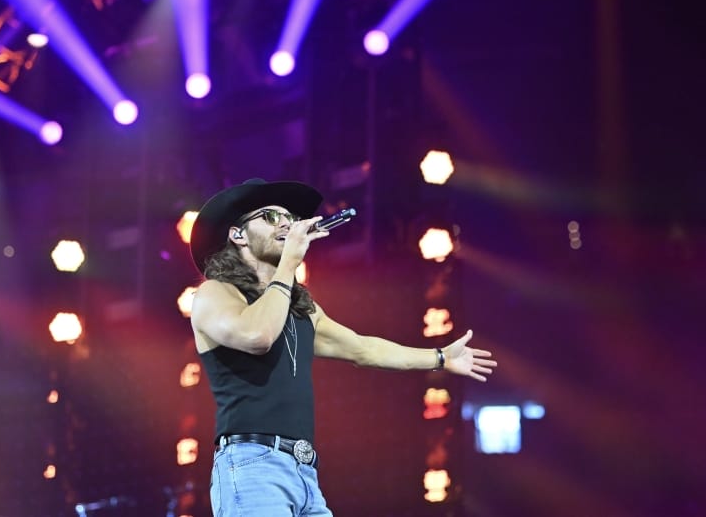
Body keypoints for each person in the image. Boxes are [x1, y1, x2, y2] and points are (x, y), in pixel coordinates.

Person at [188, 178, 497, 516]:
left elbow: (364, 349)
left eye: (289, 217)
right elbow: (257, 336)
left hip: (303, 472)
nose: (286, 224)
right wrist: (289, 264)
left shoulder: (301, 310)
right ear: (238, 235)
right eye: (271, 217)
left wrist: (439, 357)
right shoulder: (215, 293)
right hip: (251, 465)